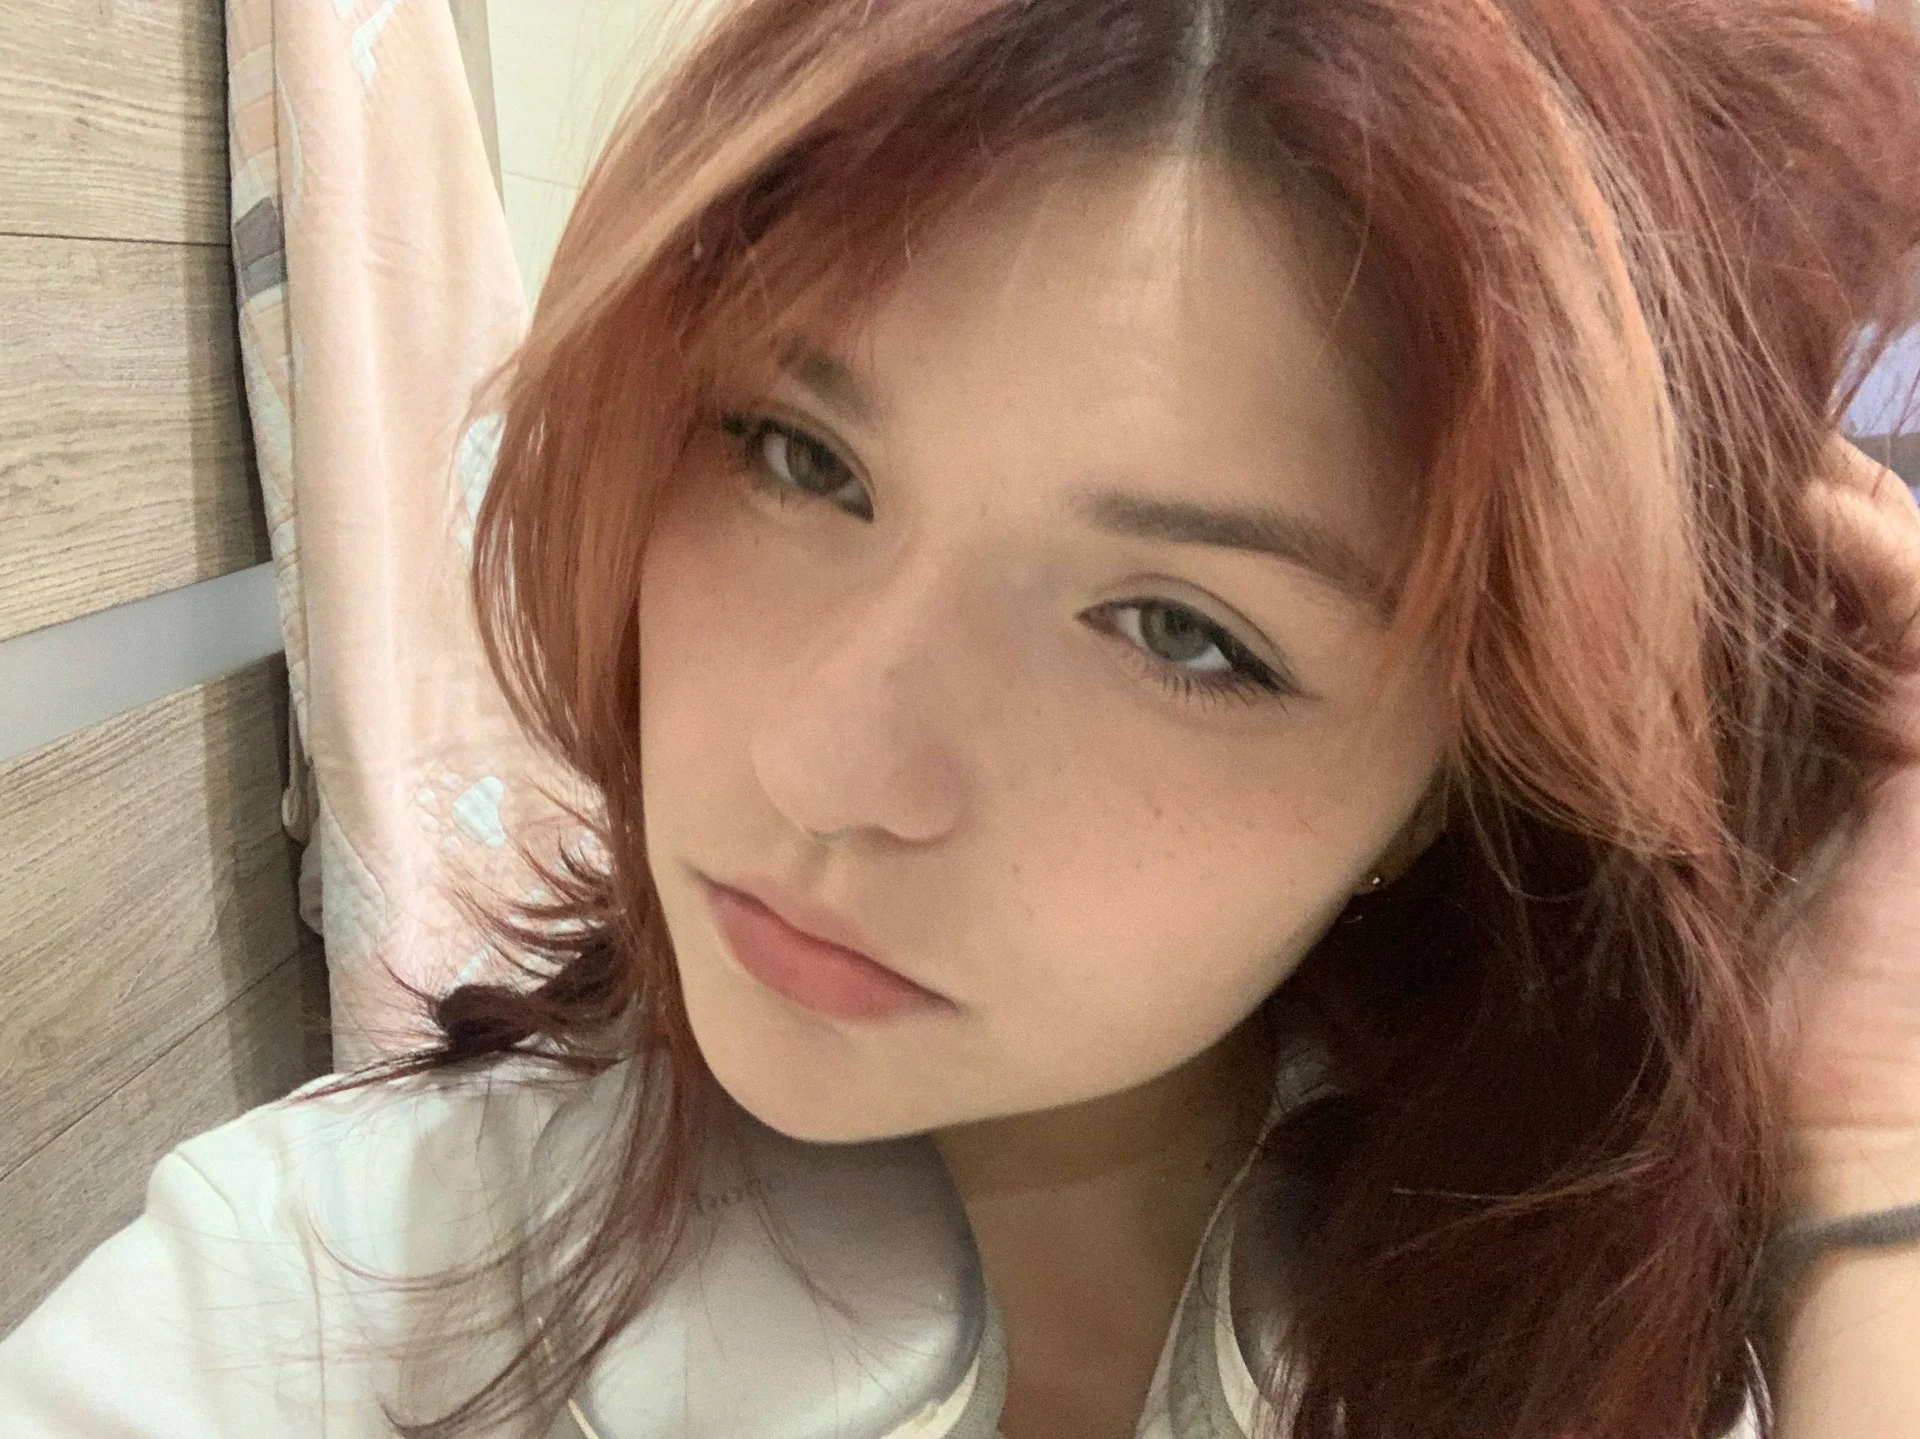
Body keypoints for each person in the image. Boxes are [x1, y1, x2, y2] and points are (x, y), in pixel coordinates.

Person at [6, 0, 1920, 1435]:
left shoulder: (1641, 1360)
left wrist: (1870, 1143)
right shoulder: (320, 1302)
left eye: (1179, 630)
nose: (824, 770)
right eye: (799, 456)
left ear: (1457, 776)